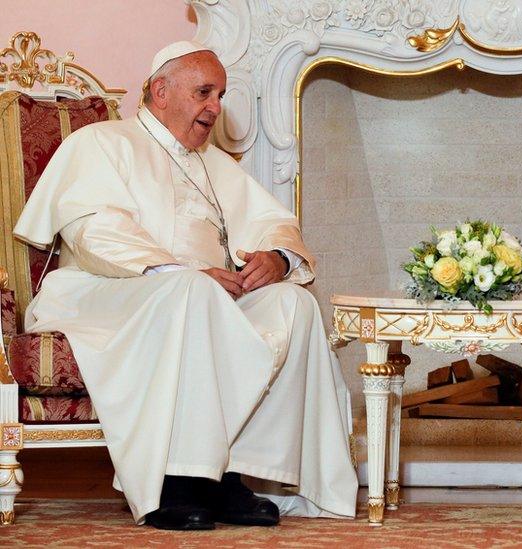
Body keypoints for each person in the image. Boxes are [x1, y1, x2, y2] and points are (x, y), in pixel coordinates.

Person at [13, 41, 358, 530]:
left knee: (292, 305)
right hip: (106, 294)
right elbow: (93, 232)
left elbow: (273, 223)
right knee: (191, 294)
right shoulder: (103, 142)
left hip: (201, 298)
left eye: (220, 94)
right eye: (204, 92)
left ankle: (241, 474)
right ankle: (175, 483)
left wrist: (277, 260)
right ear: (161, 91)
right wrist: (178, 273)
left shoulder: (214, 163)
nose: (215, 107)